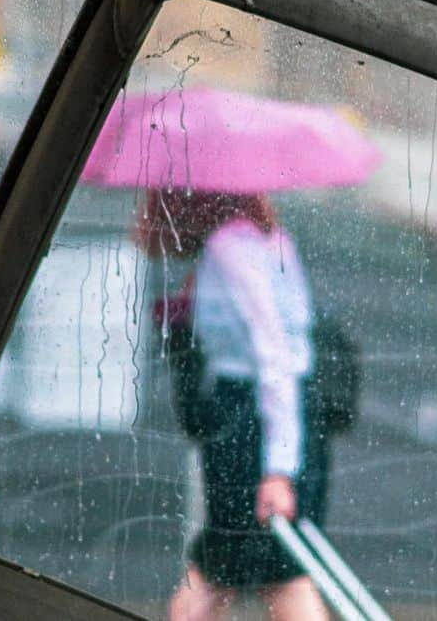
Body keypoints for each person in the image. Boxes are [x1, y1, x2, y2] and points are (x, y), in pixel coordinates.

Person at [137, 189, 330, 621]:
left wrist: (277, 469)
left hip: (250, 428)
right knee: (237, 568)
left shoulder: (229, 247)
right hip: (275, 421)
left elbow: (273, 350)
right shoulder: (267, 238)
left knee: (268, 573)